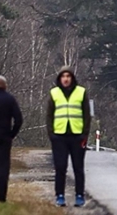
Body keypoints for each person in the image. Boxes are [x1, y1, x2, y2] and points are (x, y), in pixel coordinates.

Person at [47, 66, 91, 207]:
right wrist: (51, 134)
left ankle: (79, 195)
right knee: (60, 167)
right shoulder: (54, 93)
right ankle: (60, 195)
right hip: (59, 136)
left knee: (78, 167)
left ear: (72, 78)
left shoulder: (81, 92)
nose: (65, 79)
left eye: (68, 76)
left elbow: (86, 115)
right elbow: (49, 115)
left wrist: (85, 134)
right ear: (60, 79)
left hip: (77, 136)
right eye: (63, 76)